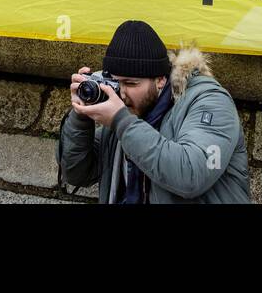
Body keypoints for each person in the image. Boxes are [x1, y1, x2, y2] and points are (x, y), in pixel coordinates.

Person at [58, 20, 251, 204]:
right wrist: (81, 117)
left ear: (160, 80)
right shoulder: (127, 115)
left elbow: (192, 175)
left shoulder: (210, 102)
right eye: (116, 83)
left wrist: (121, 122)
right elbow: (77, 174)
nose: (122, 94)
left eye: (131, 84)